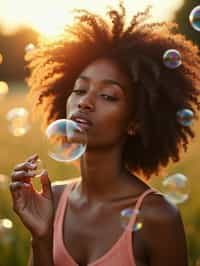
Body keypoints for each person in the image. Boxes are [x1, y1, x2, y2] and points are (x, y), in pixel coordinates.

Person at [10, 1, 200, 266]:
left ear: (134, 121)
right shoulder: (51, 199)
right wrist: (41, 238)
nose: (84, 102)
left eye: (108, 96)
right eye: (78, 90)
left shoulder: (157, 216)